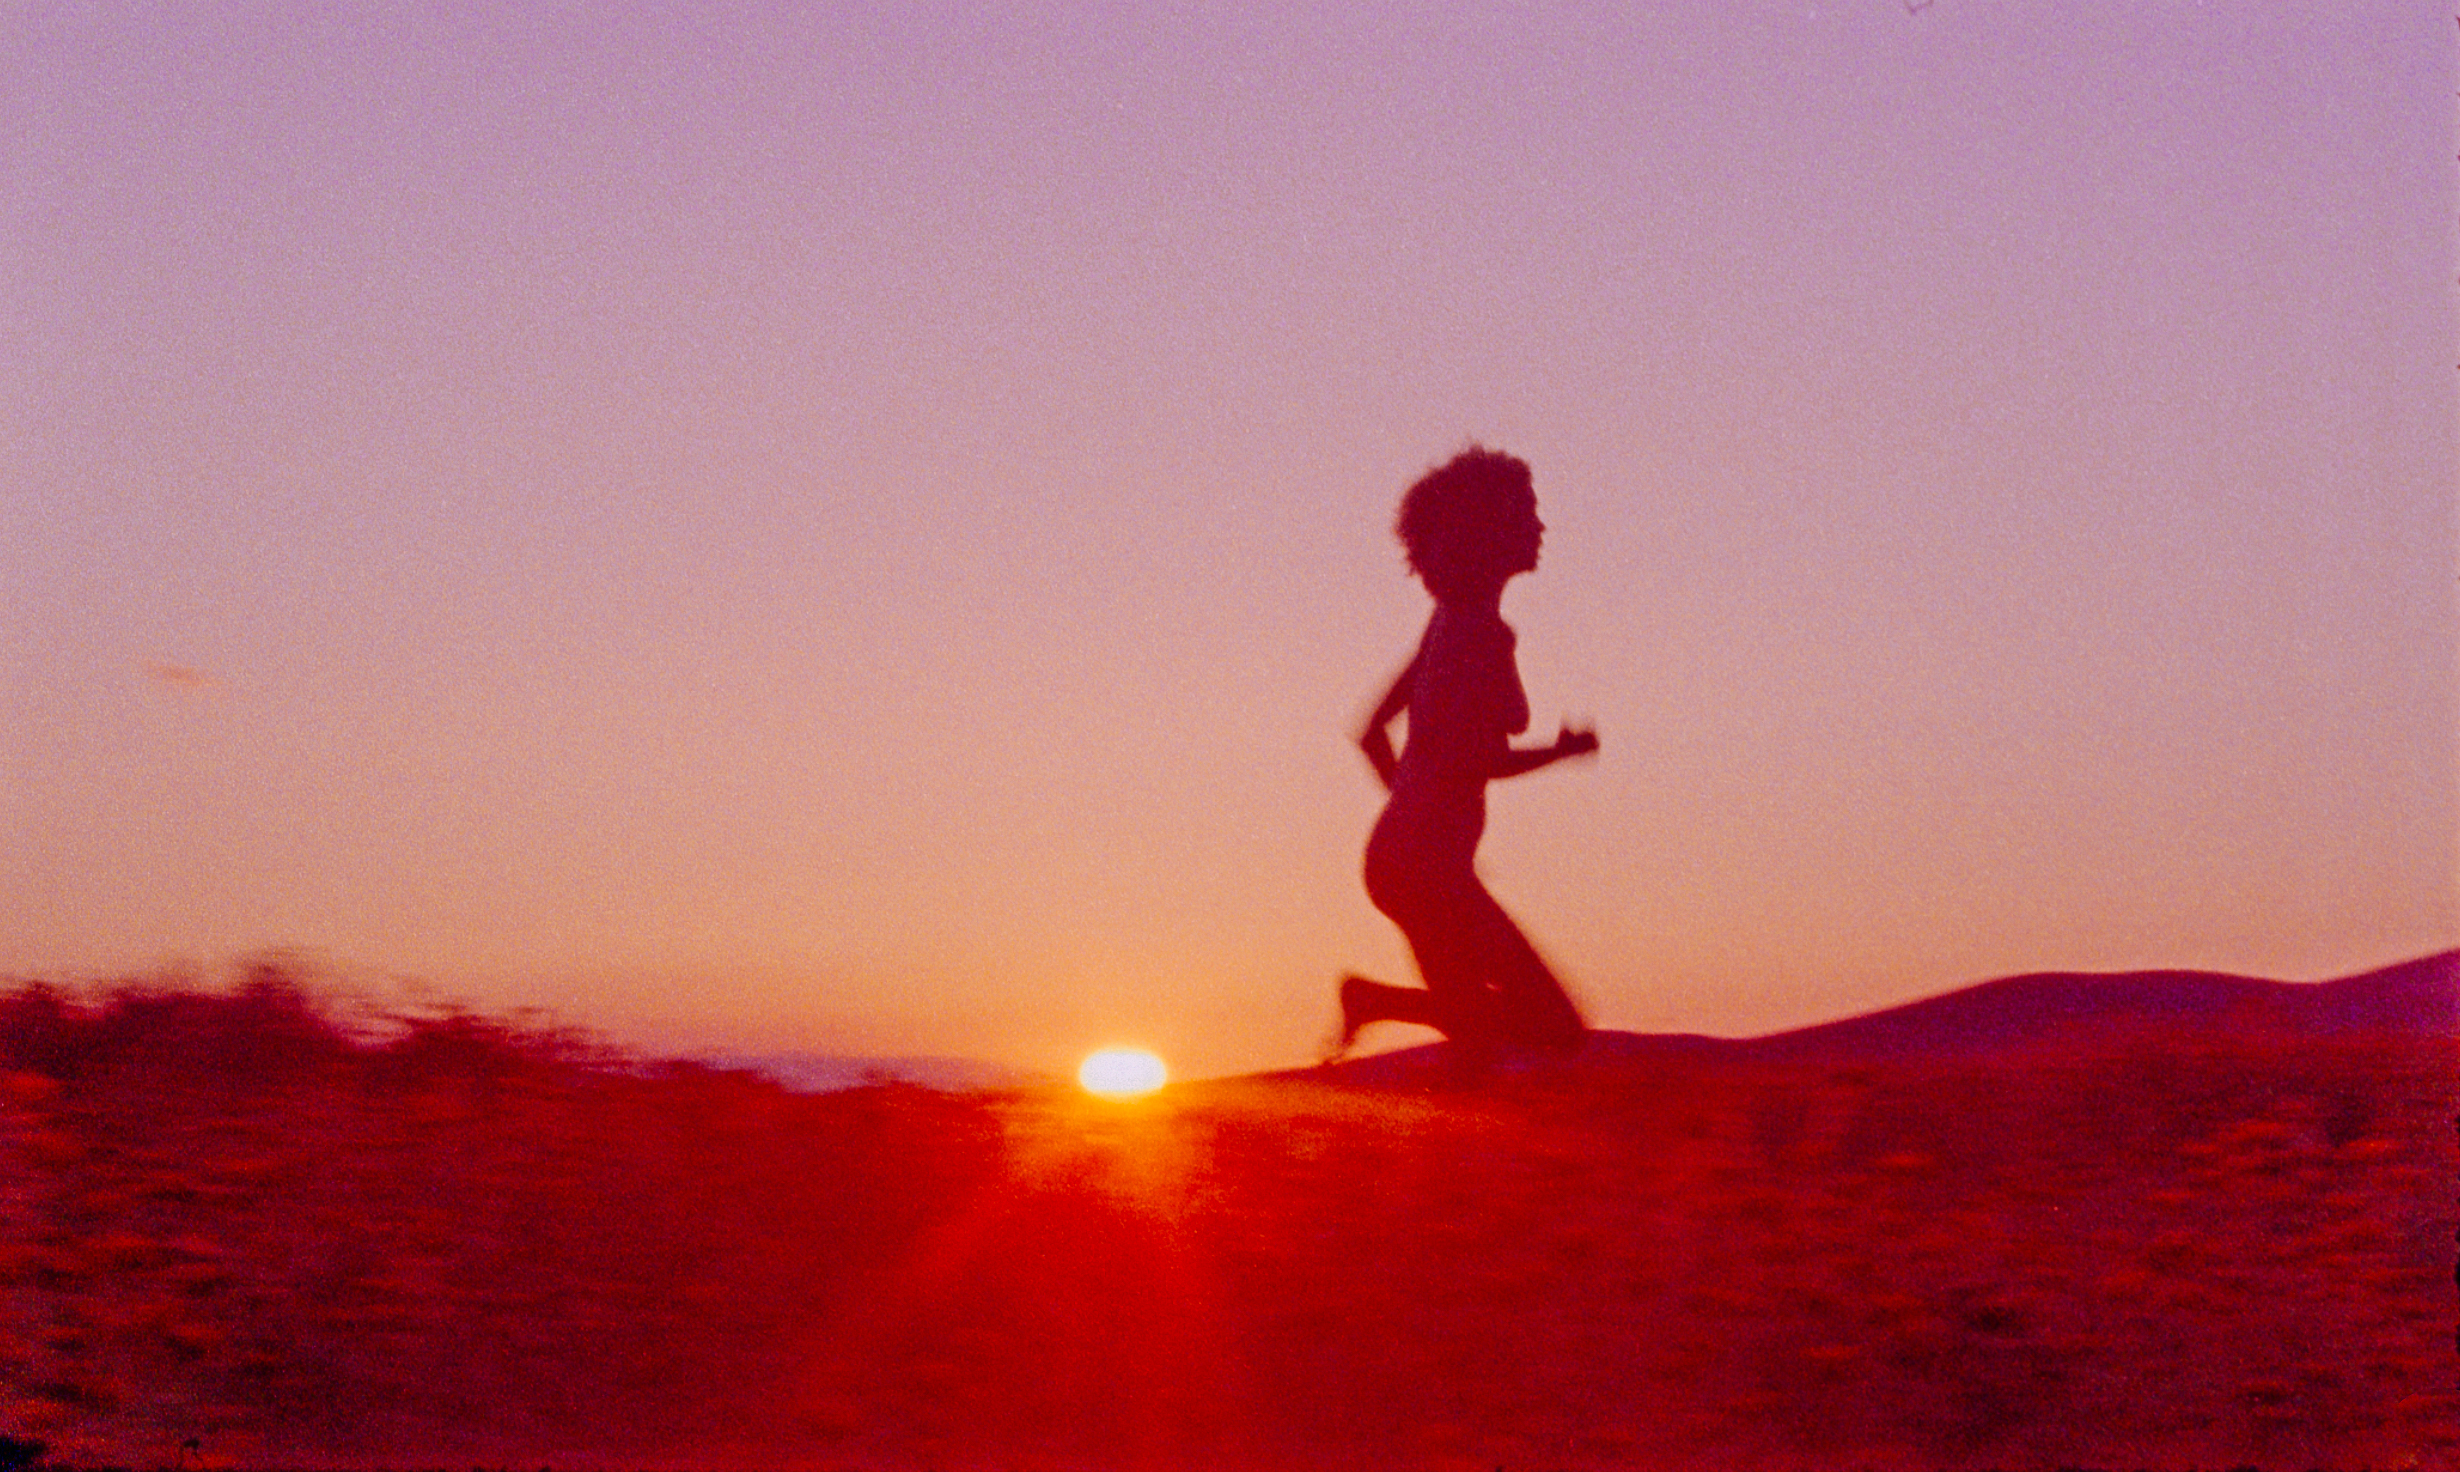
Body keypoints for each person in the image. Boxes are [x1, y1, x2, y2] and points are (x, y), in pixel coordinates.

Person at [1332, 446, 1597, 1073]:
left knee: (1483, 1037)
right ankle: (1371, 1002)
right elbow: (1483, 763)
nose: (1539, 527)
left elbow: (1373, 733)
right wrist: (1561, 753)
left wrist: (1414, 808)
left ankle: (1372, 1000)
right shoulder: (1474, 634)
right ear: (1488, 529)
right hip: (1424, 869)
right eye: (1526, 512)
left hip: (1407, 860)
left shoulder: (1449, 621)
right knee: (1554, 1029)